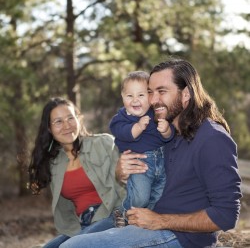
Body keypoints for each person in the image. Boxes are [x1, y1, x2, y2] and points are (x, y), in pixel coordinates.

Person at [59, 58, 242, 248]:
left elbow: (226, 215)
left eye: (162, 91)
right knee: (59, 244)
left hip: (178, 237)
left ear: (186, 94)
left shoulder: (212, 138)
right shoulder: (162, 132)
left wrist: (161, 221)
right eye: (150, 92)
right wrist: (121, 172)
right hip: (140, 222)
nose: (153, 100)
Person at [28, 97, 125, 248]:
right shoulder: (54, 164)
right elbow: (65, 209)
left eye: (70, 118)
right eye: (58, 121)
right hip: (82, 225)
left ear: (78, 119)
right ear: (49, 128)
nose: (67, 126)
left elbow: (125, 185)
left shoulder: (104, 144)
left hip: (113, 217)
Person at [109, 71, 174, 227]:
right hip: (140, 164)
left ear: (150, 97)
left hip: (161, 163)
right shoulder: (121, 118)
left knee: (157, 197)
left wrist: (166, 130)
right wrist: (137, 127)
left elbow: (168, 137)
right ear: (122, 97)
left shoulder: (156, 114)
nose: (135, 100)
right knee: (141, 198)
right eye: (129, 96)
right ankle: (123, 211)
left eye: (141, 95)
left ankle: (138, 223)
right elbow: (123, 133)